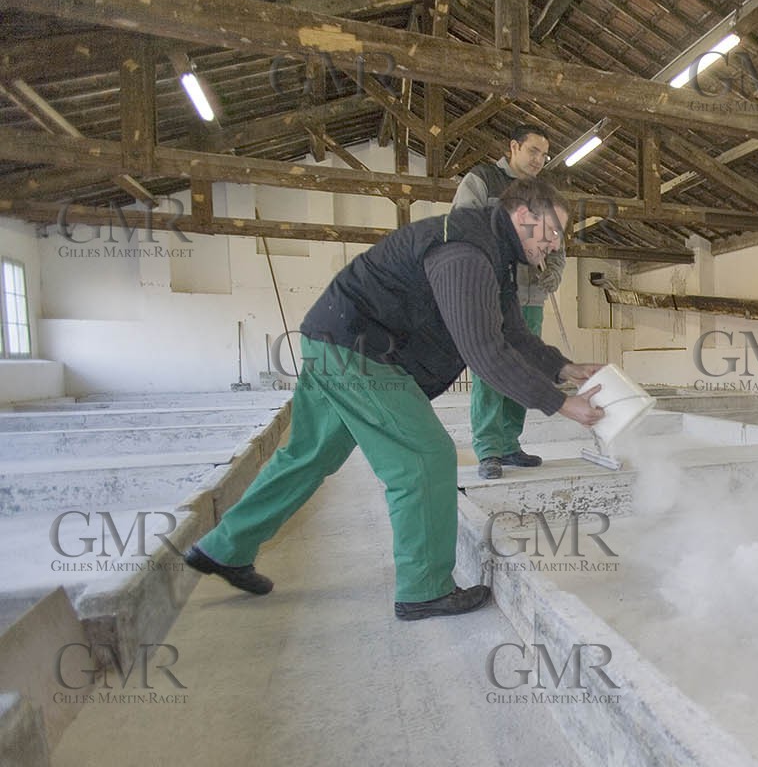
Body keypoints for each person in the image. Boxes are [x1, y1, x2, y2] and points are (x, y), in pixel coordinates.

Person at [184, 177, 605, 621]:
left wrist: (564, 368)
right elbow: (486, 352)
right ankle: (424, 590)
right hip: (360, 350)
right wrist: (562, 405)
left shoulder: (493, 253)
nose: (555, 245)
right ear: (522, 216)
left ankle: (223, 548)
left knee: (307, 456)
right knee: (424, 456)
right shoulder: (466, 252)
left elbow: (512, 333)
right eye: (552, 231)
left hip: (332, 339)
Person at [452, 125, 567, 480]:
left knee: (526, 368)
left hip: (530, 297)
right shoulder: (482, 180)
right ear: (513, 147)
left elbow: (558, 246)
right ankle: (488, 448)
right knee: (490, 368)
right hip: (490, 295)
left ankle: (509, 443)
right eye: (533, 151)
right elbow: (461, 227)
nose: (539, 160)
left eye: (544, 155)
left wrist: (554, 272)